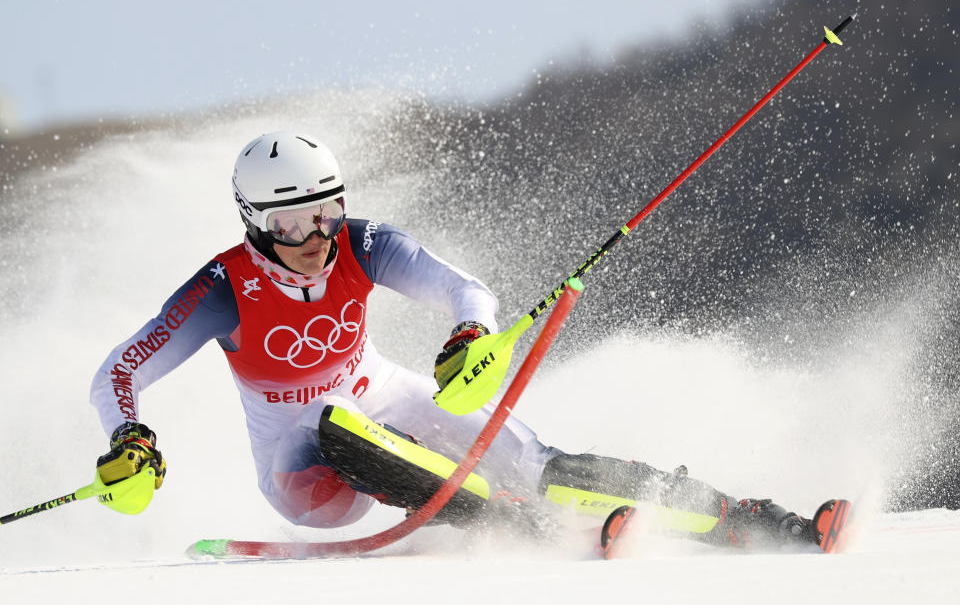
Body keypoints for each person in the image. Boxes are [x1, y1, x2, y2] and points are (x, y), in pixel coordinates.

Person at [90, 130, 822, 550]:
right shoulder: (223, 288)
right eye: (292, 224)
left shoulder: (363, 242)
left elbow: (466, 290)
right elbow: (119, 371)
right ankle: (530, 530)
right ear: (254, 225)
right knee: (333, 421)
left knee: (532, 459)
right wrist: (129, 436)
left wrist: (469, 332)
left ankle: (751, 518)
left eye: (327, 211)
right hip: (302, 473)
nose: (317, 237)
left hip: (380, 397)